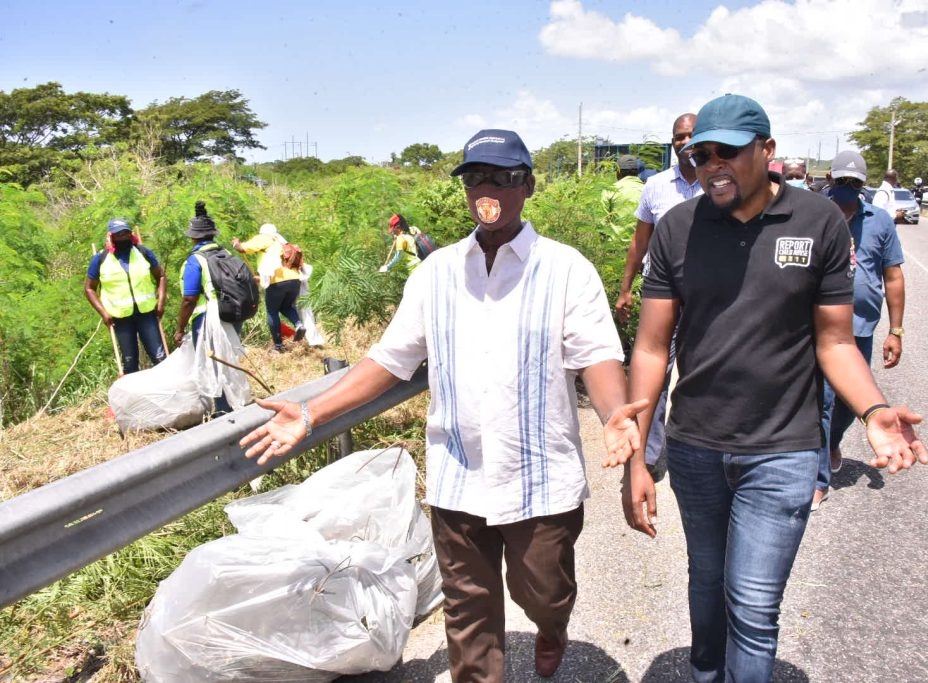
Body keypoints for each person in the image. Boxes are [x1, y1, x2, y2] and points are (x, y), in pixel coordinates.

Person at [241, 129, 645, 683]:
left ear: (526, 185)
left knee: (544, 591)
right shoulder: (436, 273)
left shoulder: (565, 269)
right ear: (465, 188)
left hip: (540, 475)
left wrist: (613, 415)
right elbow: (388, 361)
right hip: (458, 476)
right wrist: (312, 412)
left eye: (504, 177)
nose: (490, 188)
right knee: (469, 616)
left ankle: (552, 628)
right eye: (478, 176)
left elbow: (598, 357)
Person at [621, 94, 928, 682]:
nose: (711, 164)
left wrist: (873, 410)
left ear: (766, 152)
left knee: (755, 604)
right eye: (699, 154)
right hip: (695, 447)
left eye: (727, 153)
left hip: (785, 449)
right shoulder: (677, 228)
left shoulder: (816, 222)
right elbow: (652, 348)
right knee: (706, 583)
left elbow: (836, 342)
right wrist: (638, 453)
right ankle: (706, 672)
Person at [812, 151, 906, 511]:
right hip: (819, 328)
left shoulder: (879, 221)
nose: (847, 189)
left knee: (851, 404)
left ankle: (833, 441)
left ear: (863, 186)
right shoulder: (815, 214)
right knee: (821, 402)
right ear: (830, 181)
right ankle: (818, 481)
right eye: (842, 182)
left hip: (862, 328)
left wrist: (896, 329)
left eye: (854, 184)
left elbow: (893, 276)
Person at [614, 112, 703, 480]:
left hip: (706, 293)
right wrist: (625, 288)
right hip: (661, 291)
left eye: (690, 136)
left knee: (701, 370)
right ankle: (645, 456)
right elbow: (640, 241)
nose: (683, 143)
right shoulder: (656, 187)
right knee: (652, 371)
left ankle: (700, 450)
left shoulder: (720, 183)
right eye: (677, 137)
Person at [173, 201, 246, 414]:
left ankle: (223, 411)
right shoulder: (225, 254)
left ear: (193, 236)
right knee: (228, 359)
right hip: (232, 313)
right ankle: (234, 403)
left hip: (207, 319)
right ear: (212, 234)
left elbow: (189, 299)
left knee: (214, 363)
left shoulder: (195, 261)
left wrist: (180, 328)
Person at [84, 218, 167, 374]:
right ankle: (135, 397)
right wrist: (103, 313)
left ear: (131, 234)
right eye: (118, 234)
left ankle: (169, 394)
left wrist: (161, 302)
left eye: (125, 233)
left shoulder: (142, 252)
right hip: (120, 318)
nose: (122, 237)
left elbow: (160, 276)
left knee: (160, 358)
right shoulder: (100, 259)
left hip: (147, 313)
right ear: (111, 237)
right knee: (130, 363)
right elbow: (89, 288)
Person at [232, 223, 305, 353]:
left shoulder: (265, 238)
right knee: (286, 307)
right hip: (295, 280)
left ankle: (278, 346)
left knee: (272, 312)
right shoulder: (282, 242)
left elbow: (243, 248)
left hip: (277, 283)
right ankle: (299, 324)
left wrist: (236, 243)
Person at [601, 154, 645, 232]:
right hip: (642, 242)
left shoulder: (610, 190)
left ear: (618, 172)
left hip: (614, 243)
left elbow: (603, 223)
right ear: (637, 172)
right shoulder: (648, 190)